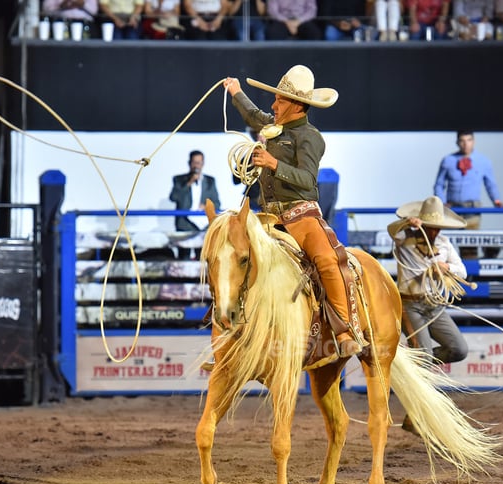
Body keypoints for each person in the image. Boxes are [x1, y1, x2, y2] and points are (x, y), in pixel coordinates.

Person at [223, 65, 365, 358]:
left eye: (280, 101)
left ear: (297, 106)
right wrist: (236, 92)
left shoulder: (310, 137)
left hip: (301, 215)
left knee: (327, 260)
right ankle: (231, 331)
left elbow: (308, 179)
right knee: (232, 256)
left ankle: (345, 329)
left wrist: (273, 164)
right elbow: (253, 115)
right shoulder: (274, 128)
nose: (273, 105)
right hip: (269, 217)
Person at [388, 196, 469, 363]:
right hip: (410, 306)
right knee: (424, 356)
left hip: (434, 305)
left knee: (459, 350)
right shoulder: (404, 237)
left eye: (437, 228)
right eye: (431, 227)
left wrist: (448, 268)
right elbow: (392, 230)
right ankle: (420, 363)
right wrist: (406, 223)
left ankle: (412, 363)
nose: (434, 232)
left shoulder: (444, 243)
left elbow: (462, 272)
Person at [433, 130, 503, 259]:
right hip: (452, 211)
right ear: (457, 142)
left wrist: (497, 200)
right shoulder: (448, 160)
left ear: (474, 141)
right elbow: (439, 184)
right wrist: (442, 202)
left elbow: (490, 184)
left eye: (469, 140)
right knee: (444, 245)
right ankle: (446, 276)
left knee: (469, 246)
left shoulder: (483, 161)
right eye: (462, 141)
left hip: (472, 210)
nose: (466, 144)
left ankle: (468, 277)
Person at [170, 150, 221, 232]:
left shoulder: (210, 181)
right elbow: (173, 197)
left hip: (205, 225)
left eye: (199, 163)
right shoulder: (179, 179)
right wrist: (189, 183)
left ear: (203, 163)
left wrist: (206, 207)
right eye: (194, 162)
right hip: (185, 224)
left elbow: (217, 204)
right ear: (189, 163)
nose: (196, 166)